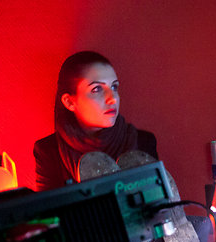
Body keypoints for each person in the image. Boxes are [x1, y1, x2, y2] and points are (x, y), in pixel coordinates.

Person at [33, 51, 157, 192]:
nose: (113, 99)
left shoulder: (143, 141)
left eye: (114, 87)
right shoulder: (48, 151)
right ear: (69, 102)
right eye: (97, 89)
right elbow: (49, 205)